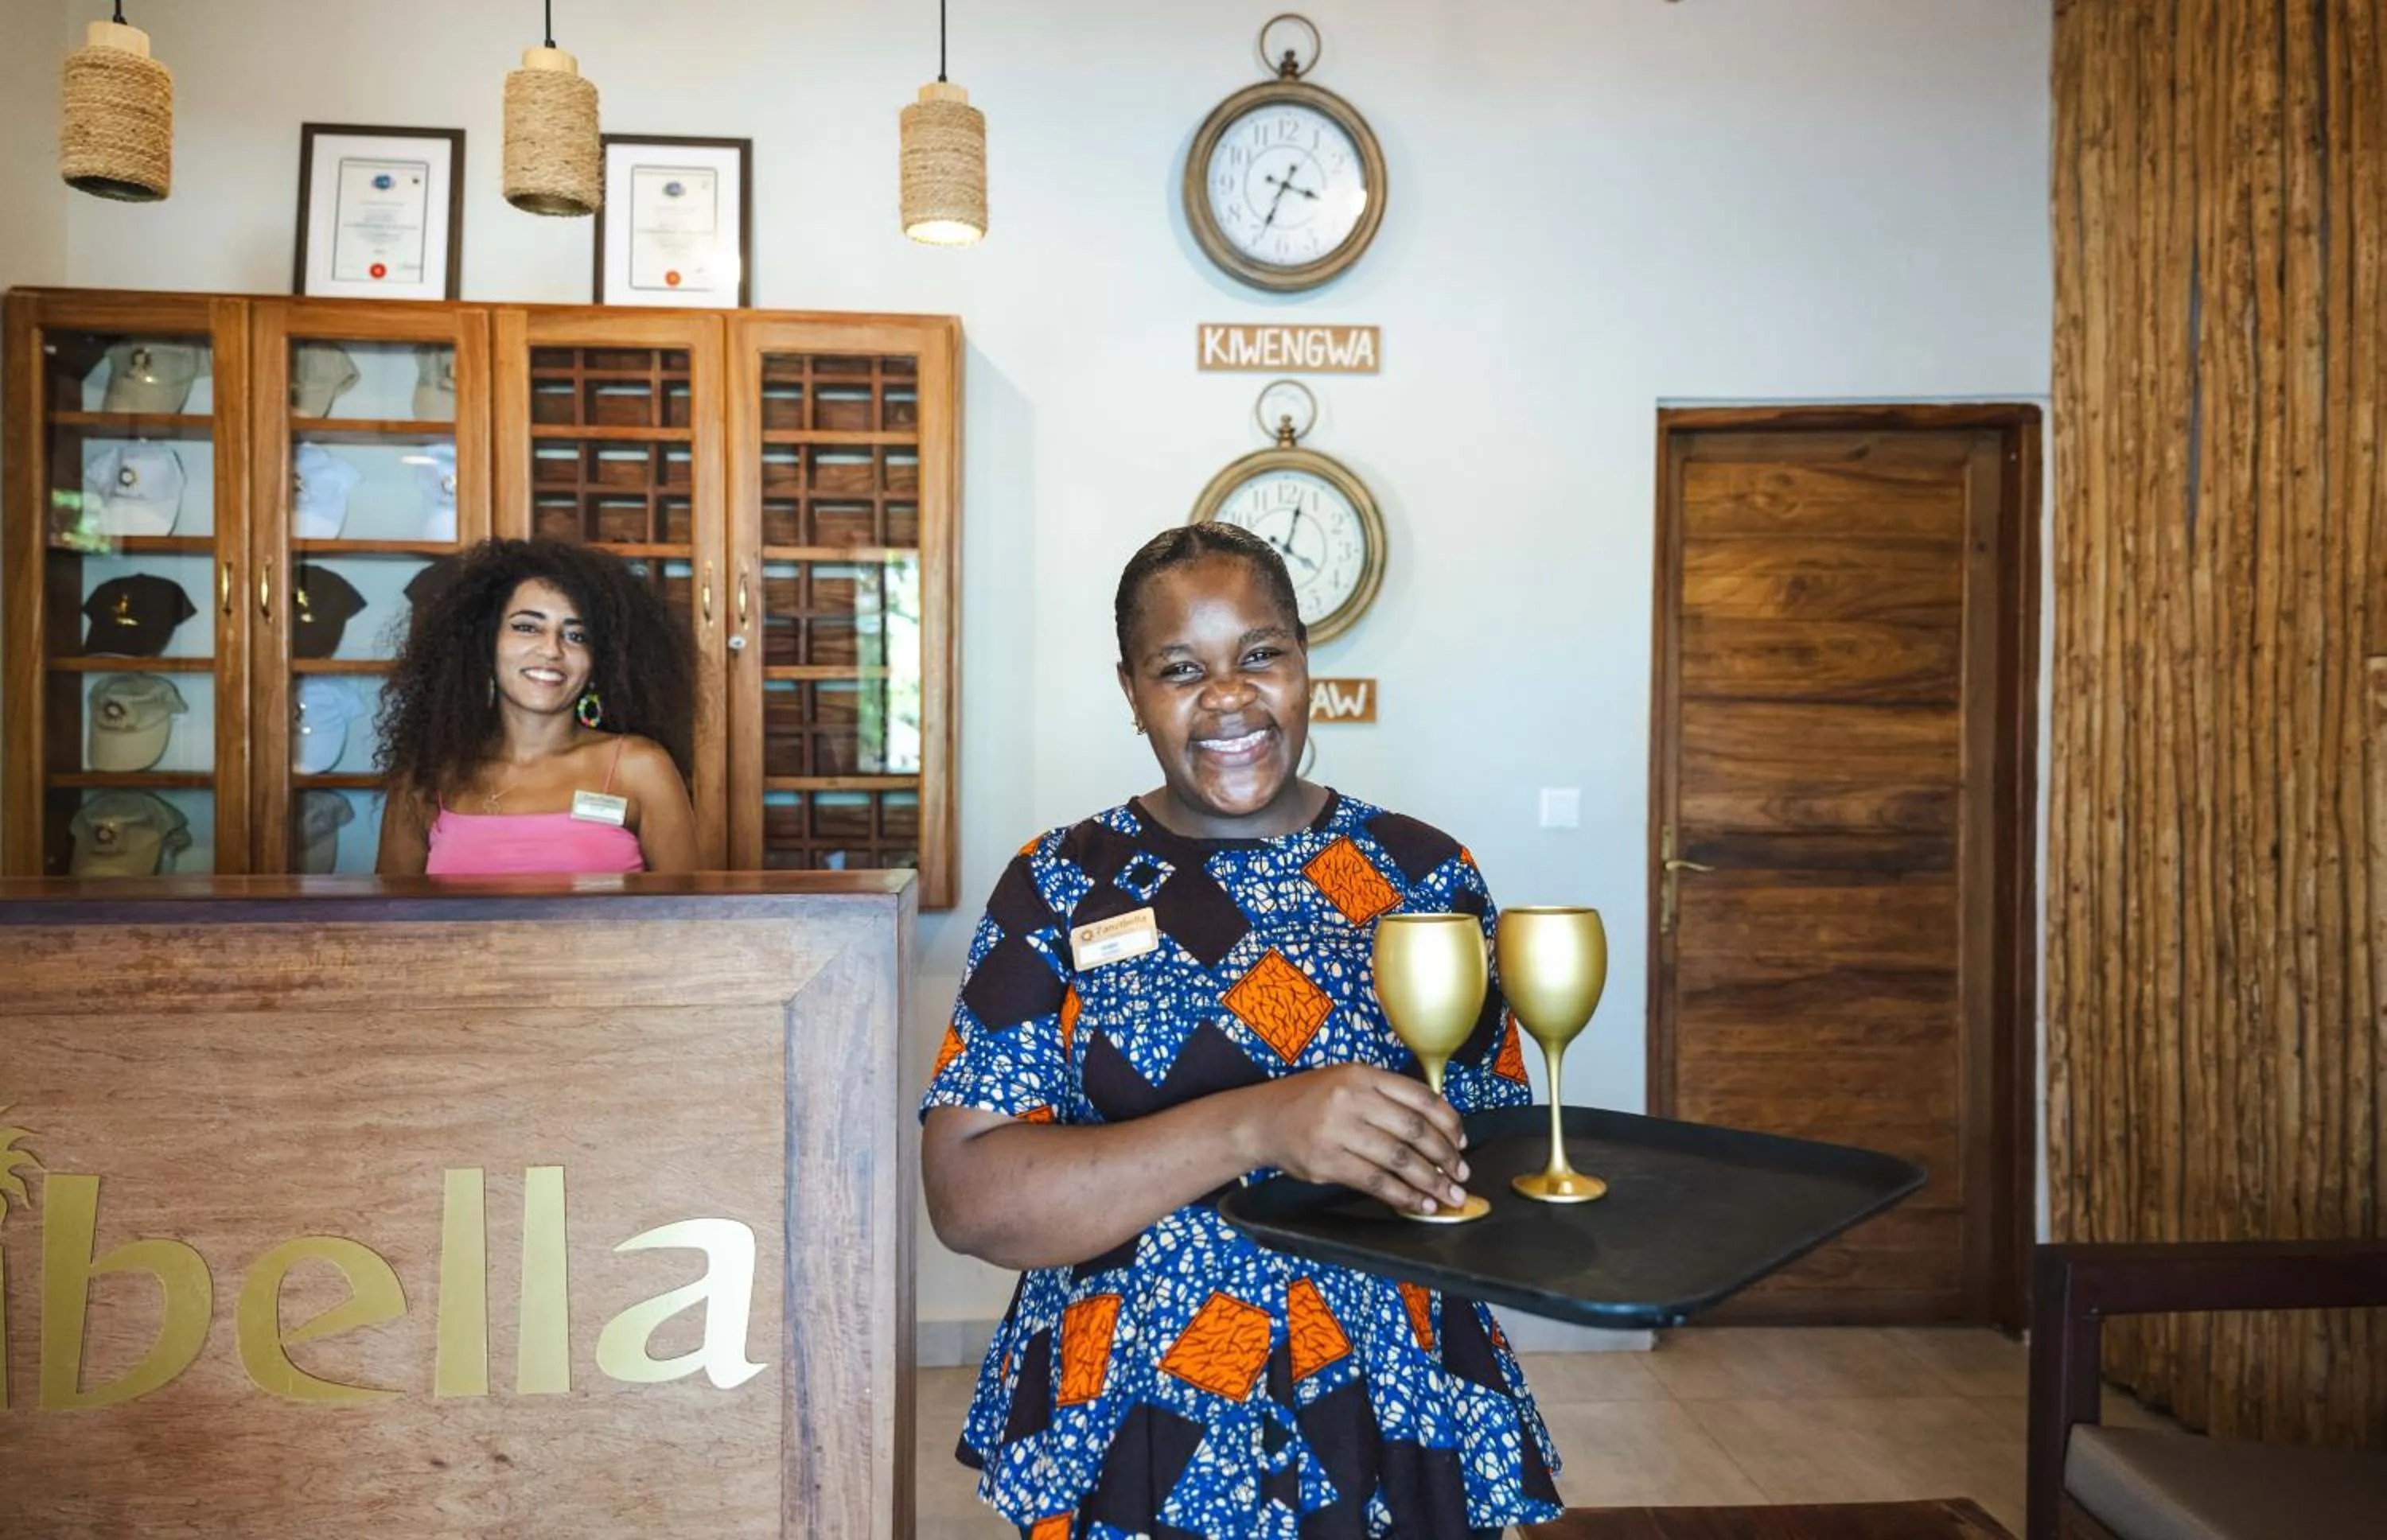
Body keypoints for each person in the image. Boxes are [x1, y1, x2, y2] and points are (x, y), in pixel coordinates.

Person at [921, 524, 1562, 1538]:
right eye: (1181, 669)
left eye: (1260, 653)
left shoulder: (1422, 876)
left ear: (1305, 662)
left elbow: (1499, 1155)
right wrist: (1261, 1125)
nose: (1228, 697)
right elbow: (969, 1199)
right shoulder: (1061, 882)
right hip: (1138, 1405)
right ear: (1132, 692)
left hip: (1384, 1399)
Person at [374, 538, 699, 876]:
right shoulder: (427, 774)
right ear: (485, 644)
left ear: (600, 662)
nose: (551, 650)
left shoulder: (640, 767)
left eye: (576, 636)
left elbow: (690, 906)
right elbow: (389, 907)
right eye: (527, 628)